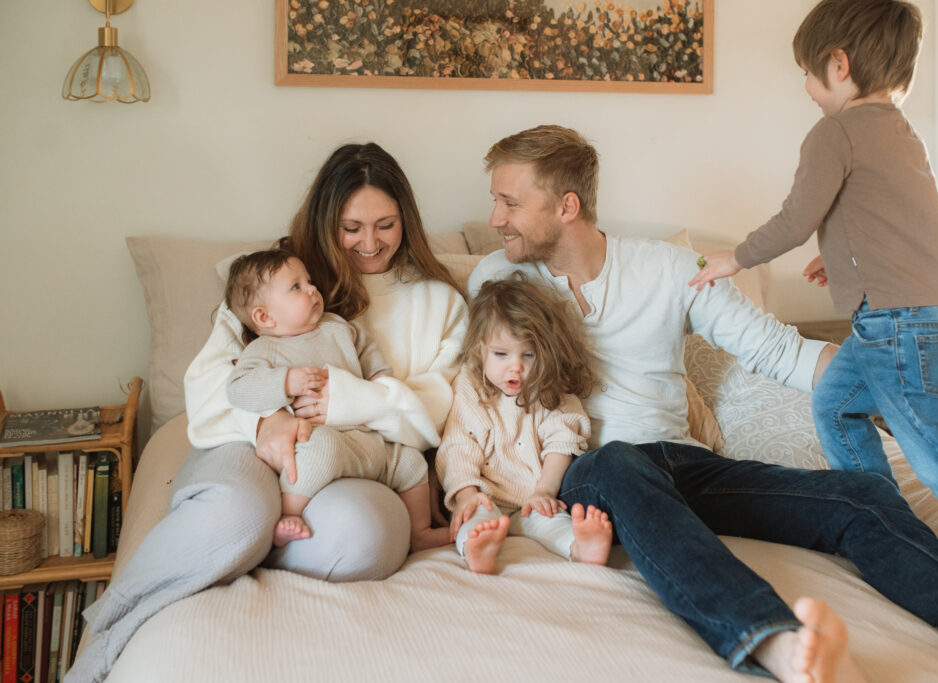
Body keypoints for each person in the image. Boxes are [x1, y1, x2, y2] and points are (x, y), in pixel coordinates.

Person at [469, 123, 938, 683]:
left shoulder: (669, 268)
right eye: (496, 202)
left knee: (862, 496)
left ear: (567, 205)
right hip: (588, 472)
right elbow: (471, 398)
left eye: (509, 202)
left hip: (680, 461)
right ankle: (778, 644)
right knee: (618, 458)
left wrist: (919, 378)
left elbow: (777, 349)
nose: (496, 218)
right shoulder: (497, 279)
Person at [67, 143, 468, 683]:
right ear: (327, 222)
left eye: (386, 224)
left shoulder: (440, 302)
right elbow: (209, 388)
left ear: (407, 220)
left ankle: (242, 548)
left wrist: (347, 400)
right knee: (237, 512)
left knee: (370, 534)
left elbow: (441, 410)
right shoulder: (277, 277)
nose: (369, 244)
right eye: (351, 227)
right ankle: (109, 631)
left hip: (355, 457)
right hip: (248, 443)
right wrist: (264, 422)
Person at [687, 0, 938, 581]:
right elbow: (901, 221)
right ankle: (886, 529)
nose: (807, 87)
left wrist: (734, 258)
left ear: (837, 65)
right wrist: (840, 259)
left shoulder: (834, 131)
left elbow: (795, 218)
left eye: (808, 72)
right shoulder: (901, 133)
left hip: (893, 325)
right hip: (909, 318)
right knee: (835, 406)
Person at [223, 248, 448, 551]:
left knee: (410, 462)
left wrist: (380, 379)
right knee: (318, 453)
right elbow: (238, 388)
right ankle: (288, 516)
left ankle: (420, 532)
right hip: (324, 438)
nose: (312, 289)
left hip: (367, 438)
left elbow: (367, 351)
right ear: (264, 317)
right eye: (296, 287)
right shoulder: (265, 350)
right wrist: (286, 381)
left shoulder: (337, 326)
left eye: (309, 281)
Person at [436, 275, 613, 574]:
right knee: (474, 520)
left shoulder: (548, 387)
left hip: (533, 498)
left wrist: (544, 490)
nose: (515, 366)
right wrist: (466, 495)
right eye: (501, 354)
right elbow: (459, 446)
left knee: (553, 521)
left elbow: (562, 442)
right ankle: (478, 550)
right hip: (486, 496)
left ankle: (581, 548)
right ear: (481, 350)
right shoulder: (470, 385)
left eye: (528, 355)